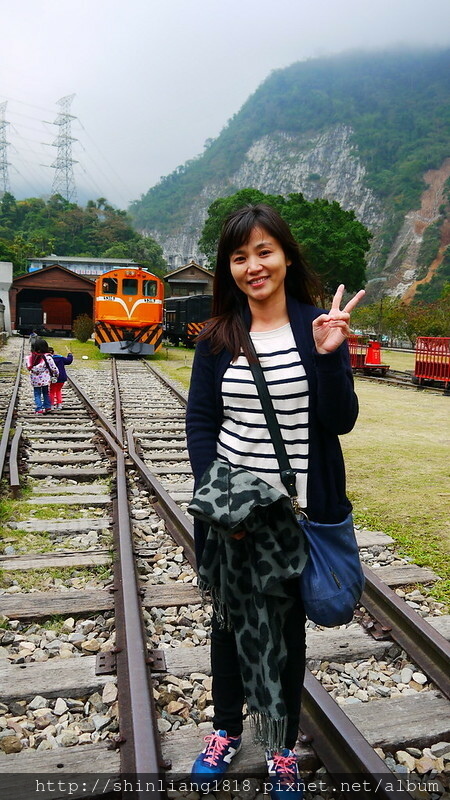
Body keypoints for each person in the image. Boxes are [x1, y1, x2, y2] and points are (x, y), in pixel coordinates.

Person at [186, 204, 365, 798]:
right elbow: (202, 425)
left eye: (264, 252)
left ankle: (282, 745)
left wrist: (329, 356)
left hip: (295, 516)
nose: (252, 266)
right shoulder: (216, 339)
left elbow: (339, 421)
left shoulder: (319, 326)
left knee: (287, 634)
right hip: (234, 515)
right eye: (239, 257)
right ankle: (225, 729)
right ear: (228, 268)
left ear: (286, 256)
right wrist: (219, 504)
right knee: (228, 625)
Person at [26, 338, 59, 414]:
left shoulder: (30, 357)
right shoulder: (47, 357)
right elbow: (53, 367)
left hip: (35, 380)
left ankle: (39, 408)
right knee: (46, 393)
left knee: (37, 394)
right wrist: (56, 374)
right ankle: (47, 407)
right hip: (45, 379)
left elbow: (28, 367)